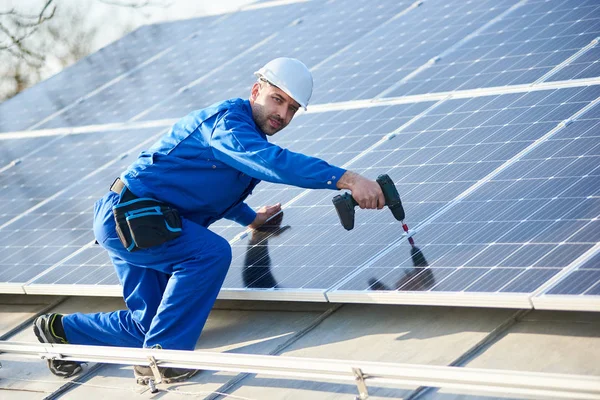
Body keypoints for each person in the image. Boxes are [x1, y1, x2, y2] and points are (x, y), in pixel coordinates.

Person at [32, 57, 385, 384]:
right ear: (256, 91)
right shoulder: (228, 124)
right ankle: (164, 359)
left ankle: (61, 330)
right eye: (277, 99)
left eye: (292, 109)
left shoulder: (244, 135)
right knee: (210, 254)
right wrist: (349, 179)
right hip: (133, 218)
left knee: (152, 324)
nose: (283, 113)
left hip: (143, 224)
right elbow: (273, 162)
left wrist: (251, 217)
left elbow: (207, 190)